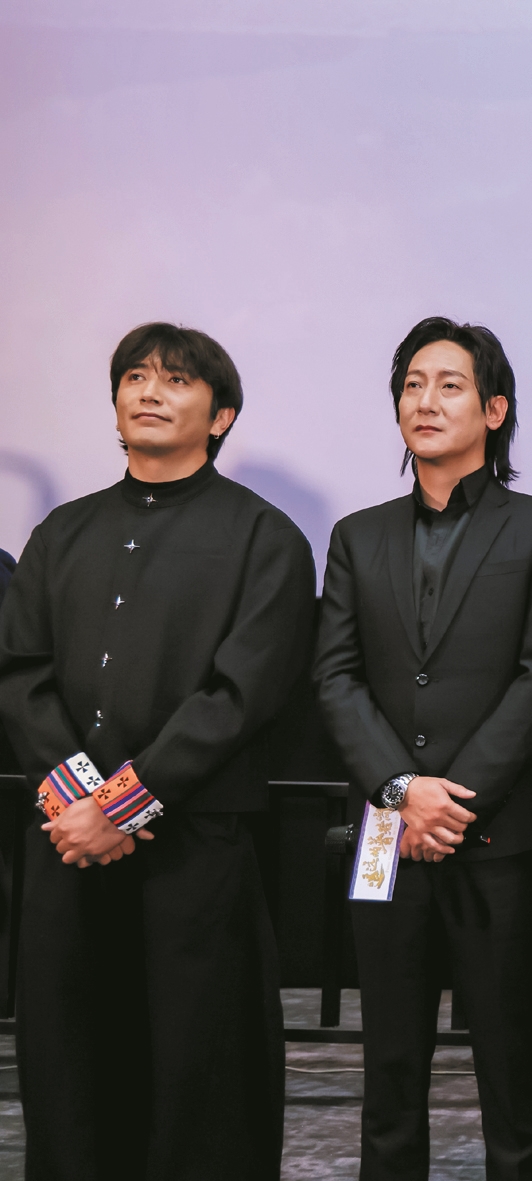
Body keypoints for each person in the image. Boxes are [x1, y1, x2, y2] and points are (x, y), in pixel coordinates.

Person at [0, 322, 315, 1179]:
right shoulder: (61, 532)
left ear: (222, 415)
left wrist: (121, 805)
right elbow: (20, 674)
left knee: (197, 1073)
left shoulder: (266, 538)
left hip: (195, 847)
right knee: (69, 1066)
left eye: (176, 380)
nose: (149, 391)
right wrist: (78, 805)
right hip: (69, 844)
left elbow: (241, 695)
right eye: (135, 376)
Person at [312, 317, 532, 1181]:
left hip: (493, 833)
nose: (425, 401)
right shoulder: (357, 535)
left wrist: (450, 797)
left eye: (449, 384)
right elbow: (335, 676)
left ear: (494, 409)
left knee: (511, 1064)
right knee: (389, 1064)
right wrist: (402, 789)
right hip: (387, 832)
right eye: (412, 384)